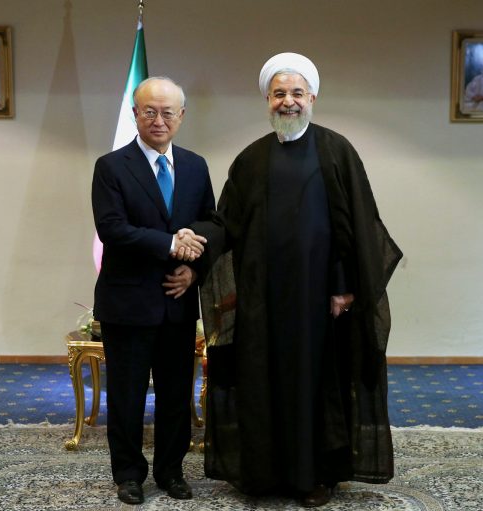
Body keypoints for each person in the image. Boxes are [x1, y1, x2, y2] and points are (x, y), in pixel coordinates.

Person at [194, 53, 402, 508]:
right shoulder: (251, 160)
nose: (288, 102)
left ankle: (315, 476)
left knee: (314, 384)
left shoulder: (336, 150)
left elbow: (359, 225)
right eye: (279, 94)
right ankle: (265, 473)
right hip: (262, 299)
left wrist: (346, 285)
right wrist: (193, 245)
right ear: (267, 100)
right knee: (263, 380)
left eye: (297, 93)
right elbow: (225, 222)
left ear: (313, 98)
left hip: (318, 300)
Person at [92, 76, 215, 505]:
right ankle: (128, 475)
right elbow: (112, 229)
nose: (158, 120)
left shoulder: (196, 165)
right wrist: (170, 245)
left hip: (178, 302)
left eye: (167, 112)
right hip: (127, 302)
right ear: (135, 114)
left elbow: (211, 223)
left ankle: (170, 471)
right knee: (126, 396)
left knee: (176, 394)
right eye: (149, 111)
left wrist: (193, 271)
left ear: (181, 117)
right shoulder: (110, 167)